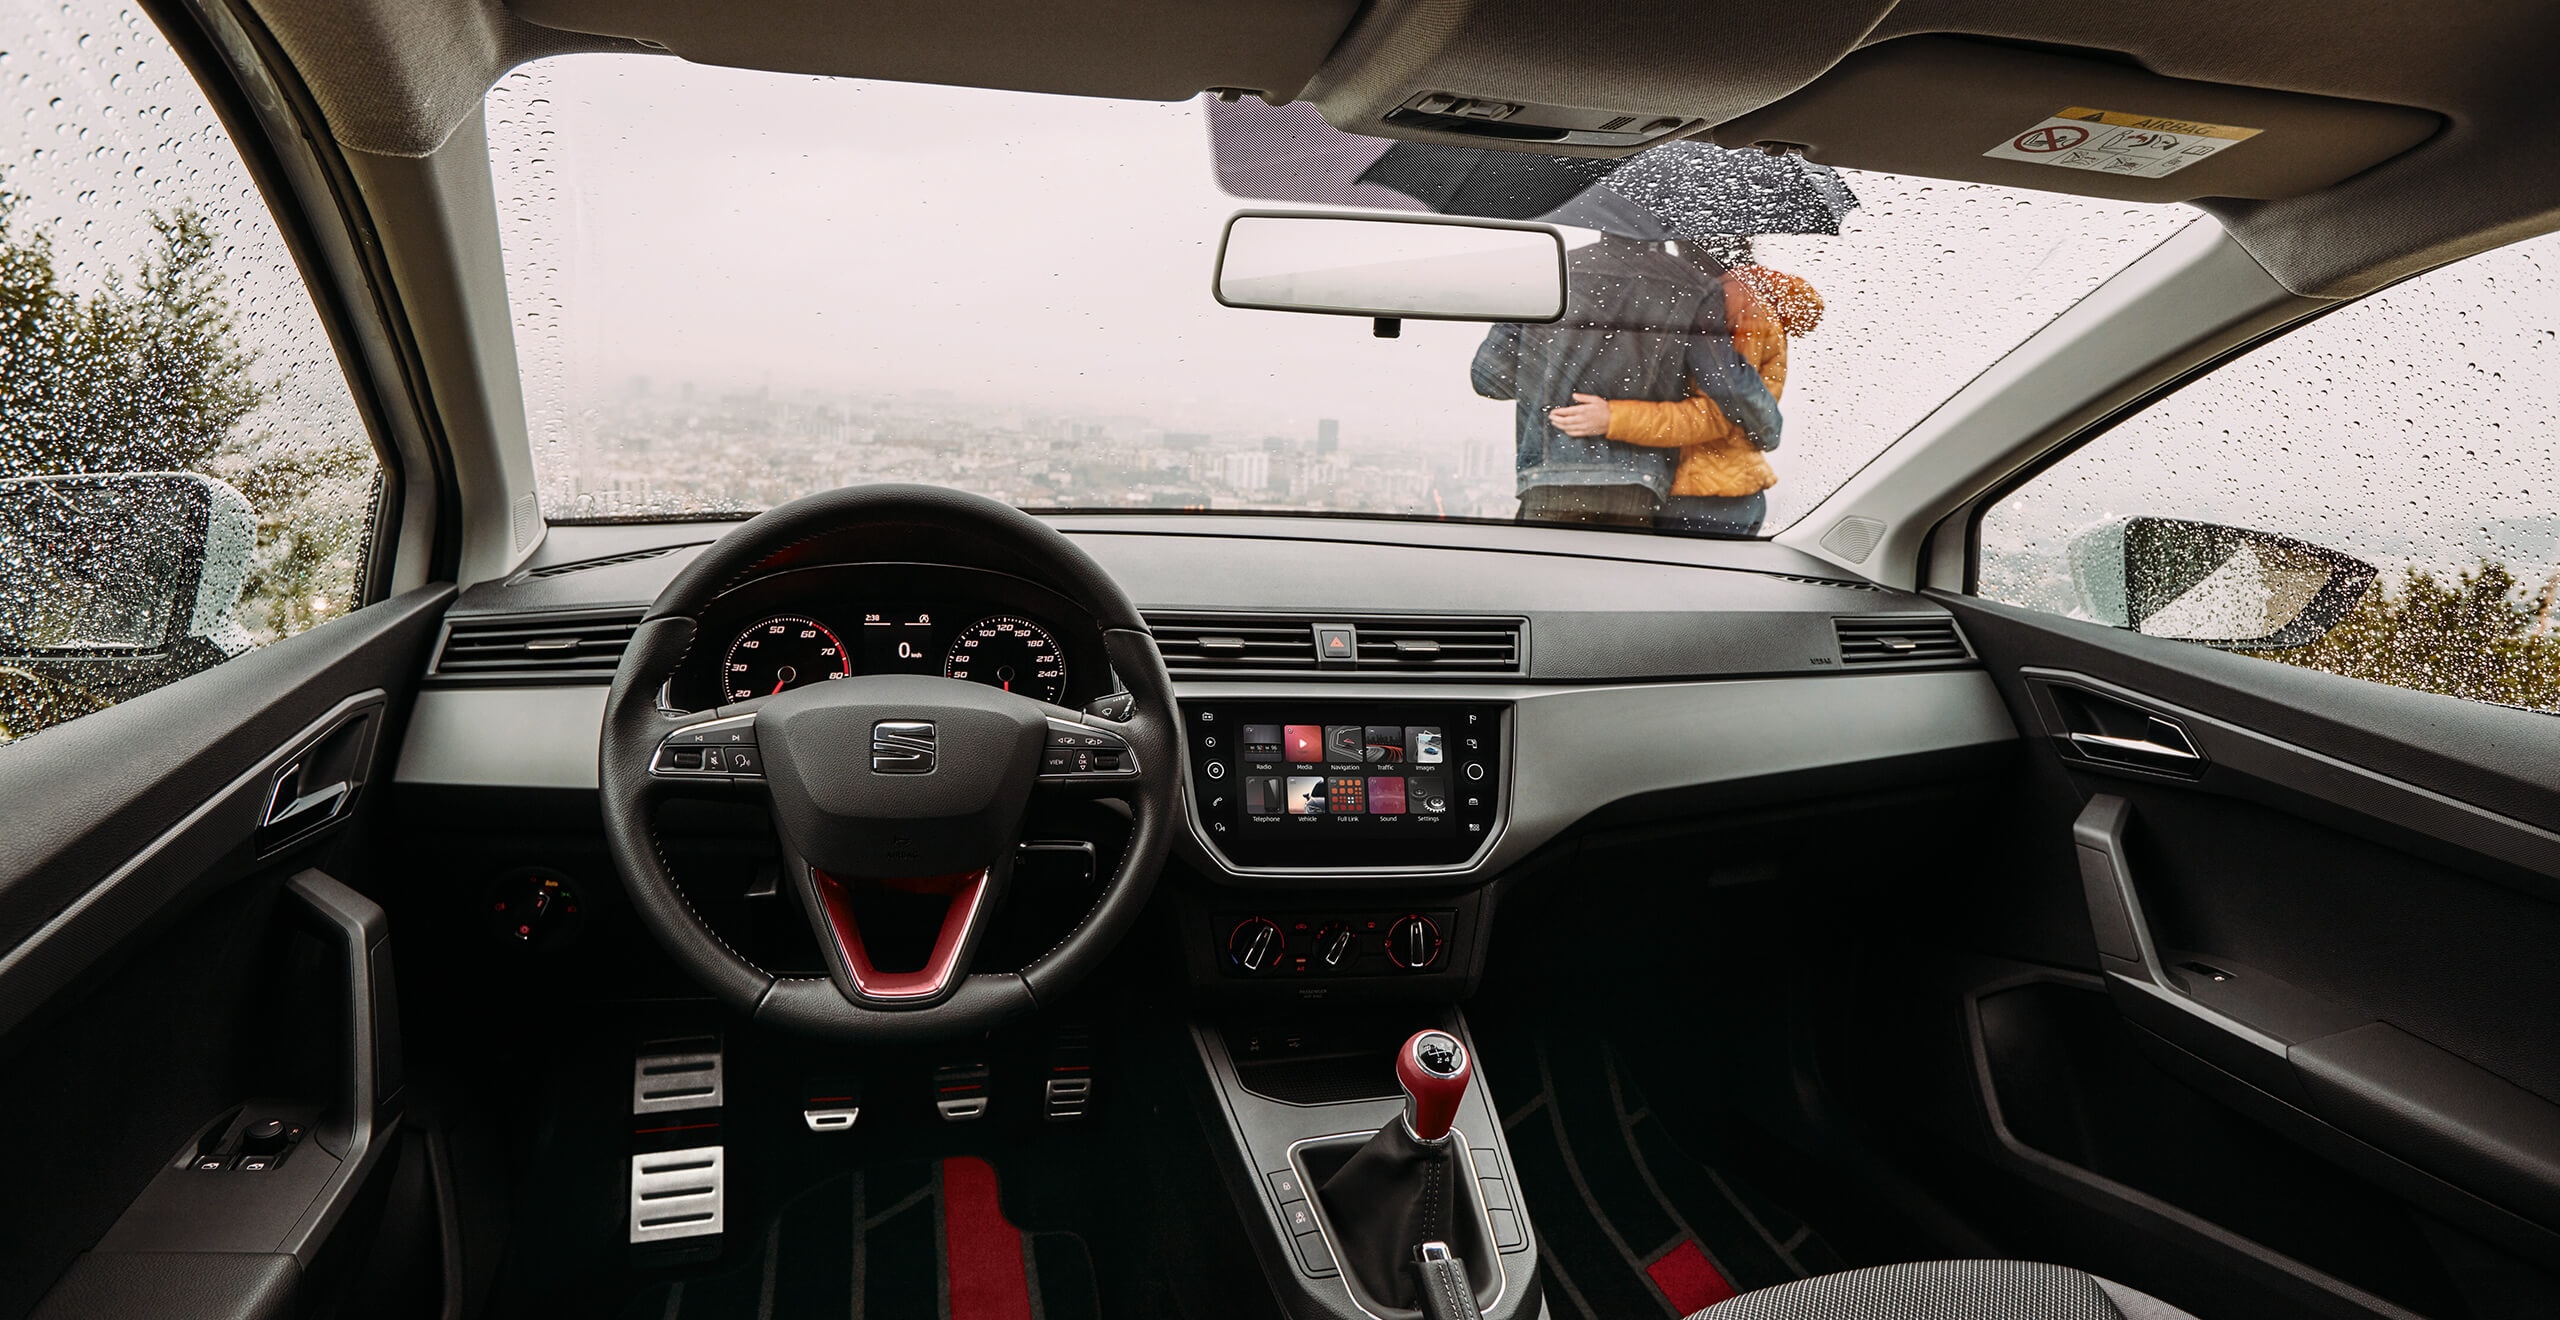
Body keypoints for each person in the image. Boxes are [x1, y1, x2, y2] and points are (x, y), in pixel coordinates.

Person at [1471, 234, 1782, 531]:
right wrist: (1768, 429)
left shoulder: (1547, 275)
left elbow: (1488, 378)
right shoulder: (1692, 287)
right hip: (1639, 486)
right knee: (1621, 583)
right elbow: (1724, 381)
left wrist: (1552, 376)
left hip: (1549, 476)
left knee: (1541, 582)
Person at [1545, 254, 1824, 536]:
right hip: (1718, 492)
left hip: (1706, 497)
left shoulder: (1735, 300)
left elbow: (1720, 412)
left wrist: (1614, 418)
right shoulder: (1734, 295)